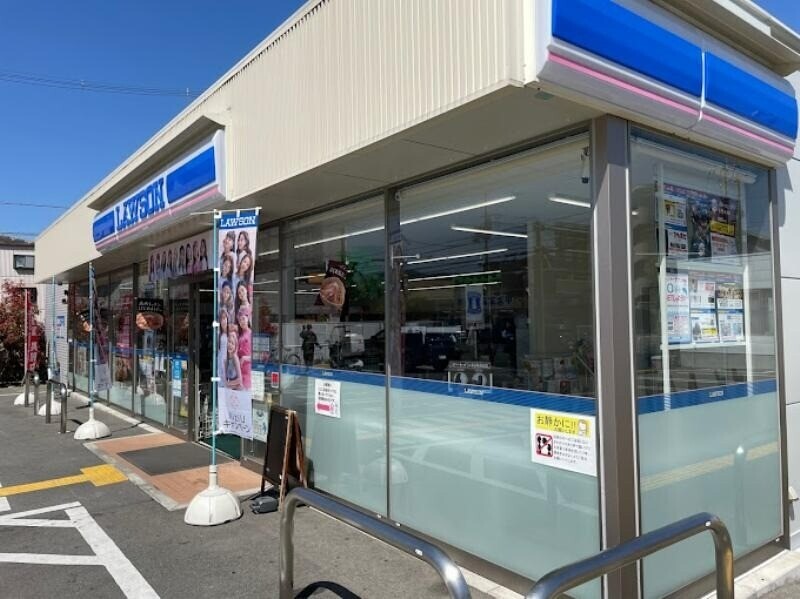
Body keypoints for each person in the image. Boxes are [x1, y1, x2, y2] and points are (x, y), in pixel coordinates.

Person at [237, 306, 252, 389]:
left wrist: (245, 358)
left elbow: (258, 355)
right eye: (240, 320)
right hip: (241, 370)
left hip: (249, 370)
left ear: (248, 318)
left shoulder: (251, 334)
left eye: (243, 319)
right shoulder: (240, 335)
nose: (242, 322)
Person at [217, 309, 229, 387]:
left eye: (224, 318)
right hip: (220, 363)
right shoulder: (219, 334)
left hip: (228, 363)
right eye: (221, 319)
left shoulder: (231, 333)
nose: (223, 321)